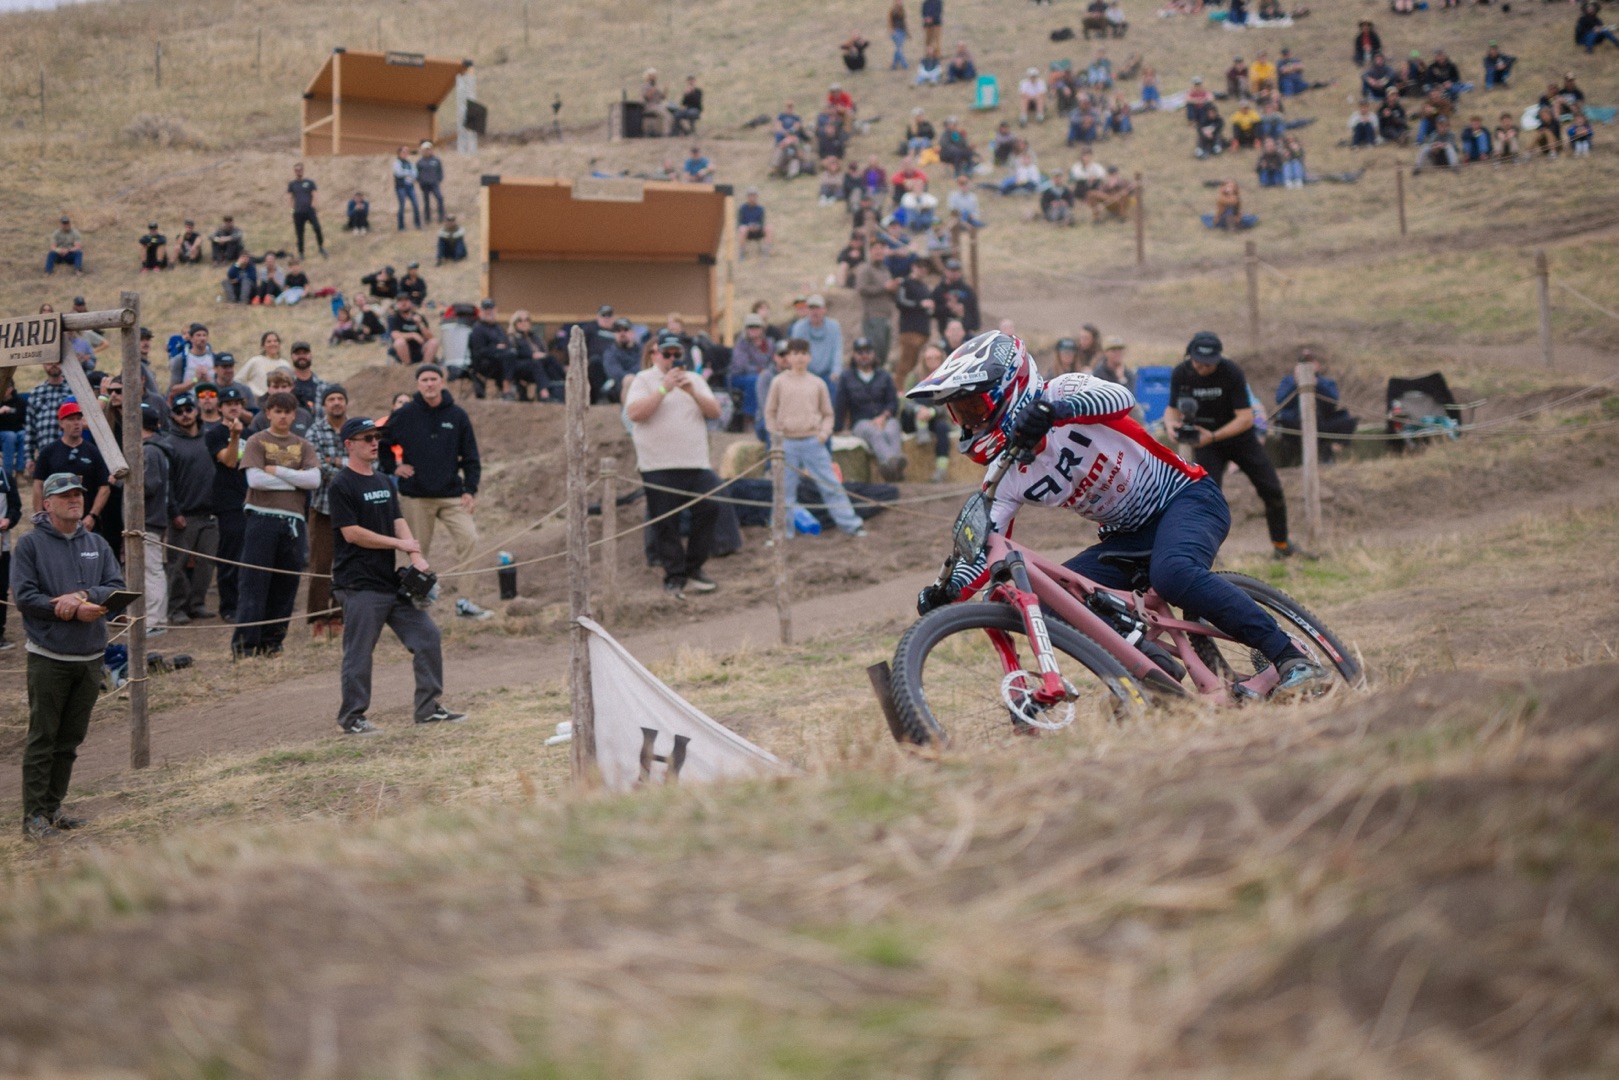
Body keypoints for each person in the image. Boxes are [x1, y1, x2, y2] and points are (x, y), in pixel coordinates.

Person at [906, 331, 1327, 697]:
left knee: (1175, 574)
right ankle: (1156, 669)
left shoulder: (1061, 390)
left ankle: (1290, 657)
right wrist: (950, 592)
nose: (970, 423)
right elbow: (984, 546)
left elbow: (1119, 397)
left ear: (1009, 390)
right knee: (1051, 600)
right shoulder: (1007, 472)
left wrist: (1054, 413)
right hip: (1126, 537)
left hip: (1184, 497)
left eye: (974, 410)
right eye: (960, 415)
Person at [326, 416, 465, 734]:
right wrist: (399, 544)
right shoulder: (341, 485)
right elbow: (352, 534)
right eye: (366, 438)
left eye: (375, 436)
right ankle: (352, 718)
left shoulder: (384, 481)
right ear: (349, 445)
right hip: (358, 584)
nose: (374, 442)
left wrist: (416, 556)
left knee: (427, 636)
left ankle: (428, 709)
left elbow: (398, 520)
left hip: (389, 581)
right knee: (359, 652)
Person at [11, 473, 126, 838]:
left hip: (91, 655)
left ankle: (53, 808)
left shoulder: (97, 543)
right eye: (65, 495)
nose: (75, 500)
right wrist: (64, 608)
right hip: (49, 655)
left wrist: (82, 597)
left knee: (70, 740)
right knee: (43, 738)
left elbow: (117, 587)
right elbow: (25, 598)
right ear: (47, 504)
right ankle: (34, 818)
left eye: (78, 494)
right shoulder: (29, 546)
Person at [1164, 332, 1301, 559]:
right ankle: (1205, 553)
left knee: (1272, 489)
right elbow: (1172, 408)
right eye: (1197, 361)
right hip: (1206, 443)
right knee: (1207, 499)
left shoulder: (1231, 372)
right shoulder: (1181, 372)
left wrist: (1215, 436)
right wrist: (1170, 424)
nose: (1202, 367)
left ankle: (1282, 545)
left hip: (1240, 439)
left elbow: (1246, 418)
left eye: (1208, 364)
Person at [383, 366, 491, 618]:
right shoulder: (406, 414)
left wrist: (470, 490)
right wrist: (394, 467)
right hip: (417, 495)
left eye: (433, 379)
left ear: (442, 382)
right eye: (424, 380)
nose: (429, 384)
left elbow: (471, 457)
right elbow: (382, 442)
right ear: (418, 384)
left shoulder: (457, 415)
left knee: (470, 539)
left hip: (452, 494)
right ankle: (416, 603)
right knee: (418, 552)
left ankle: (465, 601)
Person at [623, 332, 725, 598]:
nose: (671, 359)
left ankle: (694, 568)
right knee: (666, 522)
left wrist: (691, 391)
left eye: (675, 354)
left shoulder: (695, 380)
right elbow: (635, 414)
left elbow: (715, 412)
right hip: (657, 464)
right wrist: (663, 389)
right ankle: (675, 575)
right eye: (666, 353)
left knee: (711, 506)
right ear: (655, 354)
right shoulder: (643, 380)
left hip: (695, 462)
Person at [229, 392, 318, 658]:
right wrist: (296, 480)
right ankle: (245, 647)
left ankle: (273, 643)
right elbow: (255, 480)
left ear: (294, 415)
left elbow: (314, 480)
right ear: (268, 413)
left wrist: (277, 471)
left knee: (286, 586)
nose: (282, 416)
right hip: (262, 517)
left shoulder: (304, 445)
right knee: (254, 583)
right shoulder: (257, 440)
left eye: (287, 412)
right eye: (277, 411)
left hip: (294, 521)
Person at [765, 339, 867, 539]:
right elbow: (770, 412)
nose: (800, 357)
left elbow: (828, 414)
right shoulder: (778, 382)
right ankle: (780, 533)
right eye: (795, 353)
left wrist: (823, 434)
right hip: (787, 443)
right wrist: (775, 434)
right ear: (788, 357)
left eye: (803, 353)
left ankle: (851, 525)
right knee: (783, 490)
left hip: (813, 441)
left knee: (831, 485)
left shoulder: (817, 383)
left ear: (809, 357)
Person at [160, 392, 221, 623]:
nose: (185, 414)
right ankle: (176, 608)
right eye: (179, 411)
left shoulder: (211, 438)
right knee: (178, 564)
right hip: (183, 515)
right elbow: (168, 483)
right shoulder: (170, 444)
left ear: (196, 410)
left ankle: (197, 603)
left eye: (188, 409)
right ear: (173, 416)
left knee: (206, 563)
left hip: (210, 513)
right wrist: (174, 512)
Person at [305, 385, 348, 640]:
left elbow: (371, 463)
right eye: (331, 399)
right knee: (321, 565)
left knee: (346, 564)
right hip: (322, 508)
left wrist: (337, 464)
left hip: (352, 511)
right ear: (324, 404)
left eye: (340, 398)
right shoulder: (315, 430)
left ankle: (340, 615)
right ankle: (318, 618)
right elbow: (317, 466)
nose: (336, 403)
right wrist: (348, 468)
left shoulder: (356, 428)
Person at [204, 386, 250, 622]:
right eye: (229, 403)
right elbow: (230, 461)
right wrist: (234, 436)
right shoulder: (214, 434)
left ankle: (248, 602)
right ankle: (229, 606)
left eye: (238, 403)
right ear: (220, 407)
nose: (234, 407)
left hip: (251, 500)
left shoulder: (250, 433)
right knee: (230, 555)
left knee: (250, 555)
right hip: (228, 502)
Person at [30, 401, 110, 530]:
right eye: (71, 419)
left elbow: (104, 488)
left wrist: (92, 516)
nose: (76, 423)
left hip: (85, 522)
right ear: (61, 423)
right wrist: (40, 517)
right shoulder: (48, 452)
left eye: (79, 419)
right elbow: (38, 485)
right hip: (54, 521)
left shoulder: (93, 451)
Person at [836, 338, 906, 481]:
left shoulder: (884, 376)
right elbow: (840, 405)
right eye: (860, 352)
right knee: (875, 433)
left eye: (867, 351)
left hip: (885, 418)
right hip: (861, 422)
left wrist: (884, 417)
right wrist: (837, 428)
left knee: (893, 429)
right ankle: (894, 464)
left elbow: (893, 402)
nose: (864, 355)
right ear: (854, 355)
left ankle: (889, 469)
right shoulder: (846, 377)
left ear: (873, 354)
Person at [1274, 350, 1358, 465]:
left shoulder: (1327, 382)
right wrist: (1297, 383)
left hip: (1322, 423)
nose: (1307, 366)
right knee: (1282, 422)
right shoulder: (1288, 381)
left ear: (1317, 365)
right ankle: (1290, 458)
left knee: (1347, 419)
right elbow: (1280, 400)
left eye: (1310, 363)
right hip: (1295, 423)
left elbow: (1333, 400)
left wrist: (1317, 384)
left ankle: (1329, 452)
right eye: (1302, 363)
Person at [20, 362, 73, 482]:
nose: (53, 365)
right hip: (45, 454)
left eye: (57, 362)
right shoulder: (36, 392)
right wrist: (29, 458)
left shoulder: (73, 390)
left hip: (70, 454)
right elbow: (30, 428)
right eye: (49, 362)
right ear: (43, 364)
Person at [788, 294, 844, 402]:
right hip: (805, 372)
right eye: (811, 308)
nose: (815, 312)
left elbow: (837, 350)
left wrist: (836, 371)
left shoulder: (834, 326)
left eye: (817, 308)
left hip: (828, 374)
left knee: (835, 391)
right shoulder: (799, 328)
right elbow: (795, 353)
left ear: (824, 309)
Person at [287, 161, 327, 260]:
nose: (298, 171)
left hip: (309, 211)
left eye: (300, 170)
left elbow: (315, 194)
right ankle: (301, 253)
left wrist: (313, 206)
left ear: (303, 170)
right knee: (300, 233)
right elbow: (290, 198)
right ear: (294, 171)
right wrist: (292, 209)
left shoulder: (309, 183)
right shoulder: (292, 184)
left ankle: (321, 247)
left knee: (317, 228)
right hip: (298, 212)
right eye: (296, 170)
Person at [387, 296, 439, 366]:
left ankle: (425, 367)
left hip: (420, 349)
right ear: (397, 304)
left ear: (411, 303)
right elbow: (395, 335)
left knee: (434, 342)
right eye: (400, 301)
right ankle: (408, 367)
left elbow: (430, 337)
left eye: (406, 300)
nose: (403, 303)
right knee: (399, 342)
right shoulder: (393, 317)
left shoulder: (419, 317)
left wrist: (420, 324)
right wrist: (413, 335)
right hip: (402, 351)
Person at [736, 188, 772, 258]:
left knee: (769, 227)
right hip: (747, 232)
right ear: (747, 197)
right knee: (742, 229)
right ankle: (742, 252)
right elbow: (739, 224)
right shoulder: (742, 209)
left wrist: (757, 226)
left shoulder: (760, 209)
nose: (752, 198)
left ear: (756, 197)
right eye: (750, 196)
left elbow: (762, 222)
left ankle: (767, 251)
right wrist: (748, 227)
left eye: (754, 196)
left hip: (758, 231)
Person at [393, 145, 421, 230]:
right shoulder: (396, 163)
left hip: (410, 187)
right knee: (402, 206)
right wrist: (409, 173)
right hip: (401, 187)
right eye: (403, 152)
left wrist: (406, 173)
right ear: (399, 153)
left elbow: (415, 174)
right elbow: (398, 173)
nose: (405, 154)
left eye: (407, 152)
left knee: (416, 205)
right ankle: (401, 226)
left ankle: (417, 224)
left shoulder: (410, 163)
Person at [416, 142, 445, 222]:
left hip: (434, 183)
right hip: (424, 184)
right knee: (426, 202)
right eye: (425, 150)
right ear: (422, 151)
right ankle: (427, 218)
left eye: (429, 149)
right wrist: (420, 181)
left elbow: (440, 171)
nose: (427, 151)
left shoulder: (436, 160)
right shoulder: (420, 162)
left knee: (440, 198)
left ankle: (441, 217)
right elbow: (417, 173)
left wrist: (439, 179)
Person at [888, 0, 908, 70]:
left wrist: (907, 32)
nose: (901, 2)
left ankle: (894, 65)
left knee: (898, 48)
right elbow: (890, 20)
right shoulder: (893, 10)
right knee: (899, 48)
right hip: (896, 31)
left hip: (902, 31)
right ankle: (904, 64)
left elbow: (903, 21)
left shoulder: (902, 9)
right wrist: (892, 30)